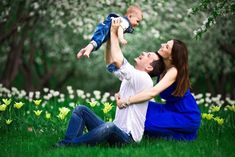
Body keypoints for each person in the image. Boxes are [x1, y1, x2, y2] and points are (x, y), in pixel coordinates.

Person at [54, 18, 164, 147]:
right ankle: (68, 143)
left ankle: (69, 145)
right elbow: (111, 64)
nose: (144, 53)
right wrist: (108, 38)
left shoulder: (144, 79)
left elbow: (118, 60)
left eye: (148, 55)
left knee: (110, 127)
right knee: (81, 110)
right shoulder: (131, 76)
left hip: (128, 138)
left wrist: (113, 32)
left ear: (149, 67)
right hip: (115, 130)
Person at [116, 39, 201, 141]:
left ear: (172, 56)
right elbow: (141, 84)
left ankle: (185, 135)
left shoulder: (174, 71)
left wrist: (127, 100)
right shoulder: (162, 68)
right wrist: (122, 93)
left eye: (166, 46)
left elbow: (152, 92)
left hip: (185, 115)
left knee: (143, 123)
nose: (162, 45)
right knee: (139, 110)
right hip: (169, 109)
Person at [76, 5, 143, 59]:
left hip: (106, 29)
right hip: (106, 27)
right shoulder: (125, 22)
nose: (137, 24)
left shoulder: (126, 23)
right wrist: (121, 39)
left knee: (98, 42)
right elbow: (120, 29)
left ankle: (86, 50)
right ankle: (88, 50)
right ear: (130, 16)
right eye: (137, 21)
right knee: (98, 40)